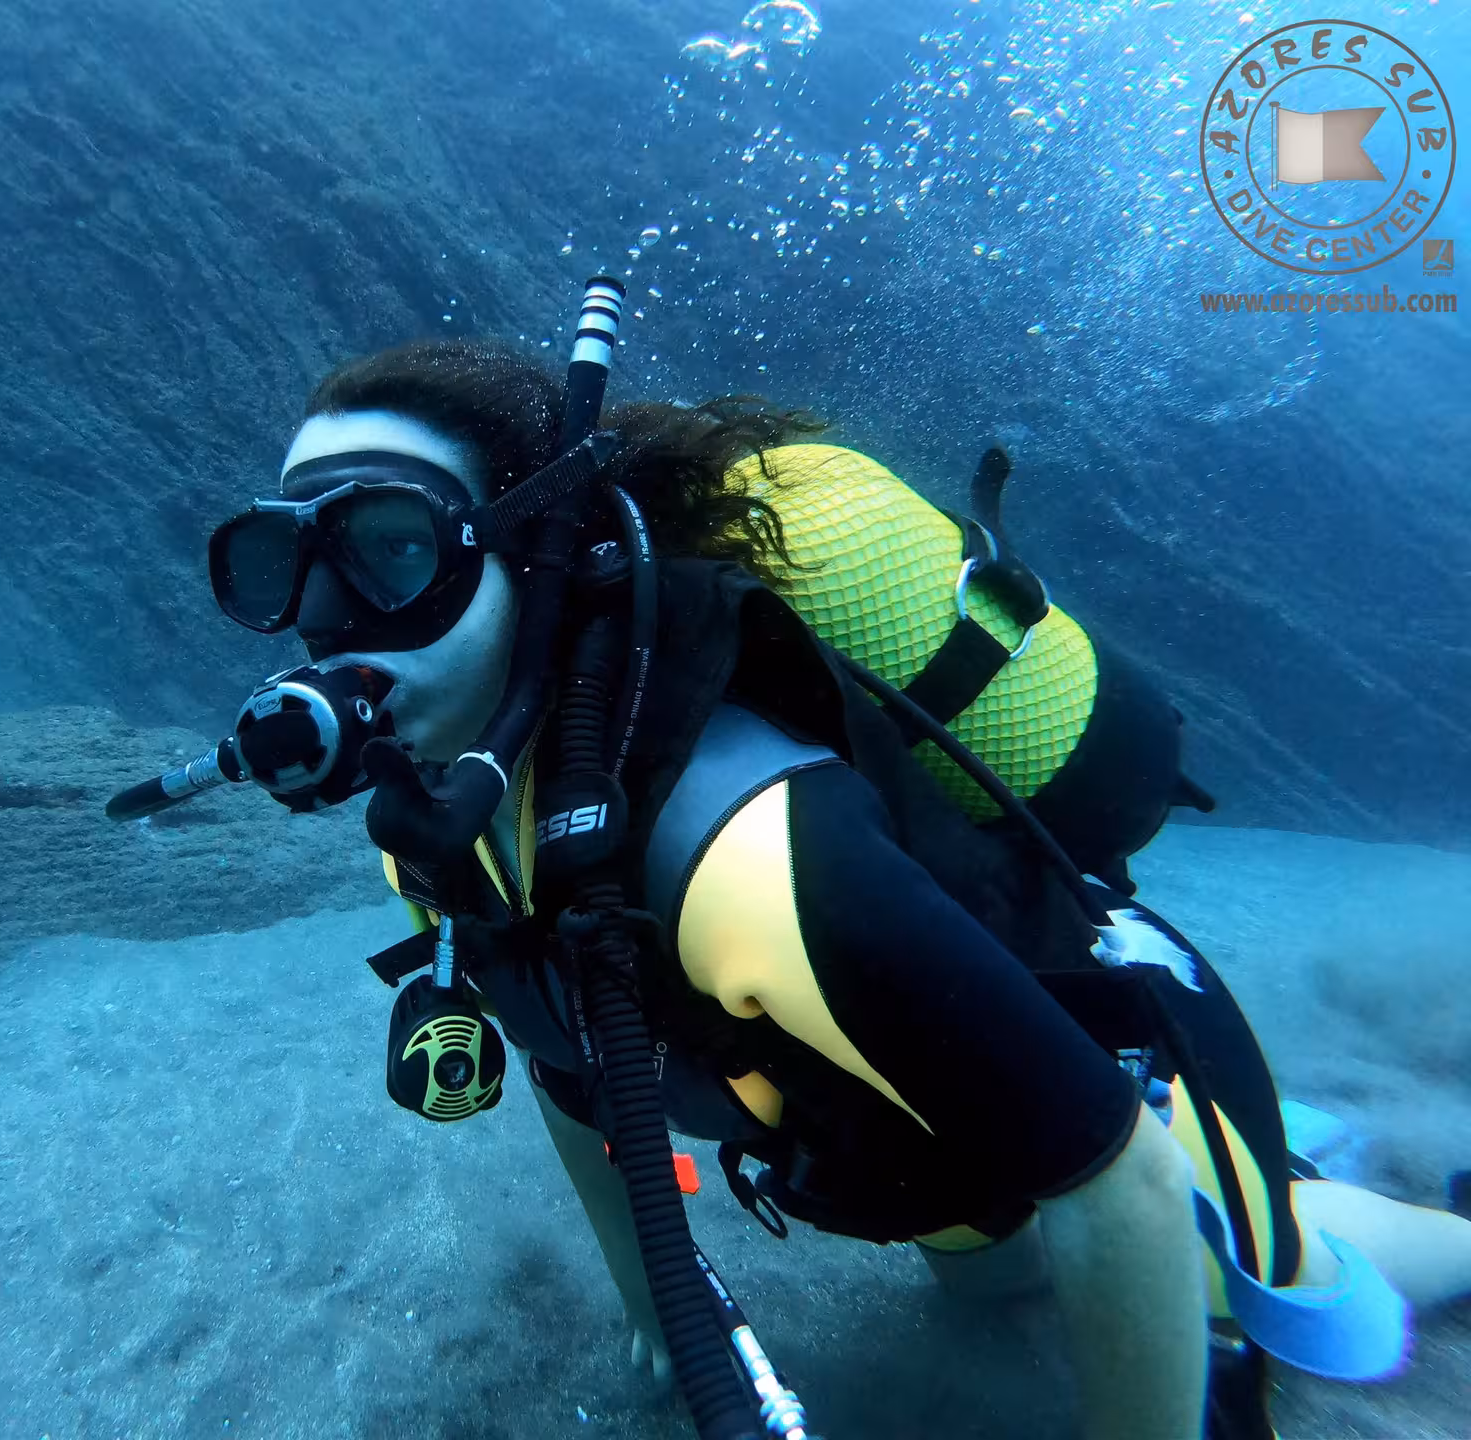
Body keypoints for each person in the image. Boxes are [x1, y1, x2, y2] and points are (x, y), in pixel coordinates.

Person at [204, 336, 1471, 1440]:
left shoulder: (740, 851)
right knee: (991, 1282)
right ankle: (1254, 1139)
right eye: (285, 562)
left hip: (1124, 1062)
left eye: (389, 546)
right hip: (916, 1136)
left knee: (1288, 1290)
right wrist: (655, 1296)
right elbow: (565, 1053)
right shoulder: (438, 828)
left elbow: (1116, 1185)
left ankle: (1327, 1186)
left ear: (534, 554)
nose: (330, 621)